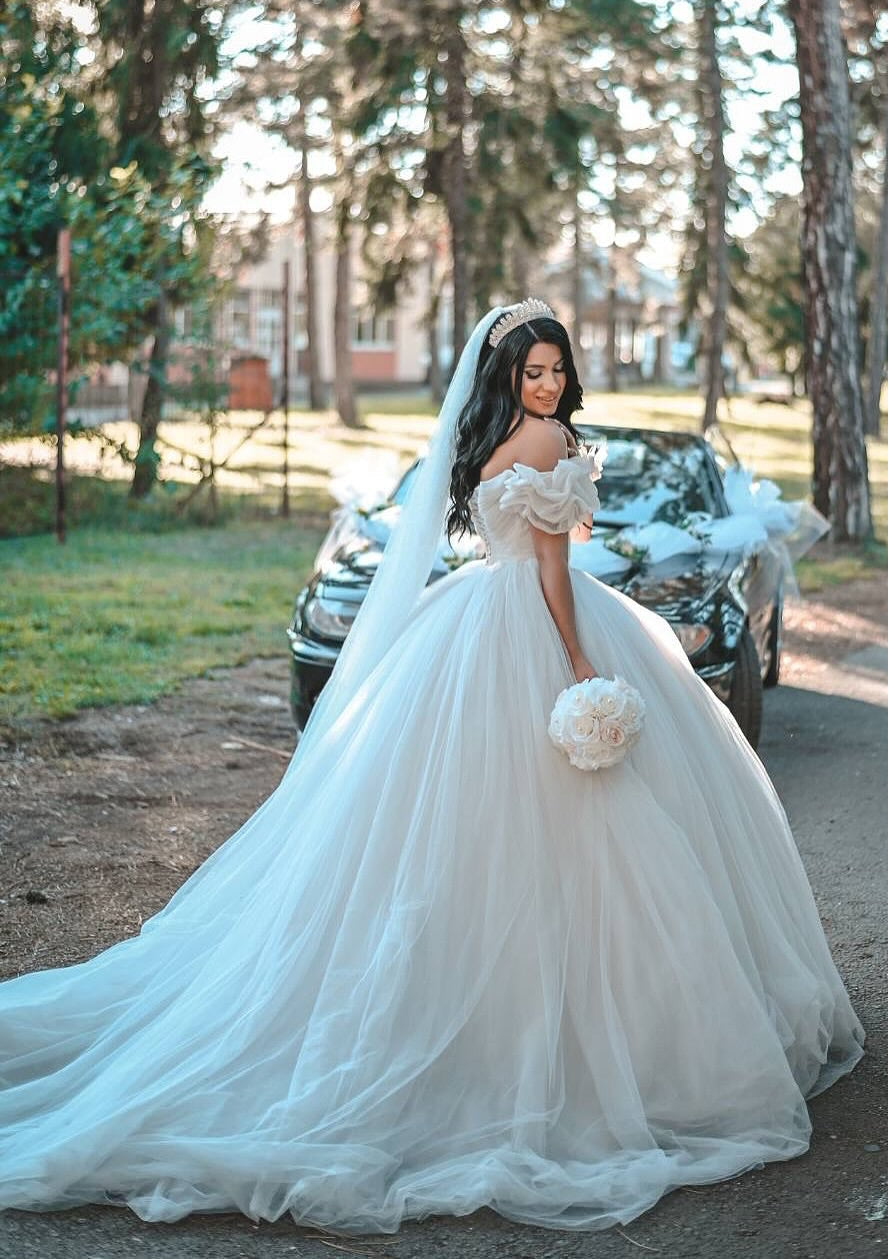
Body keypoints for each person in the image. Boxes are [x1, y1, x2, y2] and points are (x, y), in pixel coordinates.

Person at [0, 301, 865, 1234]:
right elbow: (552, 573)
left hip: (467, 624)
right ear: (508, 380)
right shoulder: (545, 442)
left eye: (554, 371)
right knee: (577, 830)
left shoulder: (492, 440)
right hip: (535, 627)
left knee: (449, 829)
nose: (545, 385)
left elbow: (528, 547)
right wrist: (579, 666)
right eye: (531, 373)